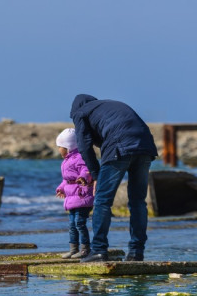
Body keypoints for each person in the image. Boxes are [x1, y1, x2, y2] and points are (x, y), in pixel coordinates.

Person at [70, 94, 158, 262]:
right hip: (145, 145)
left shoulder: (81, 113)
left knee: (102, 200)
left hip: (119, 147)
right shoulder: (108, 106)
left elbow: (84, 146)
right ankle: (136, 252)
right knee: (138, 201)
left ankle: (98, 250)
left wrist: (95, 176)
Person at [54, 128, 94, 259]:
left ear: (68, 146)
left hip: (82, 196)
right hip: (72, 198)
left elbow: (86, 170)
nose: (59, 149)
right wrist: (61, 188)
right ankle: (73, 248)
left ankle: (85, 249)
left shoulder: (80, 157)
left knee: (79, 223)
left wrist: (83, 177)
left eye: (60, 146)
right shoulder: (66, 161)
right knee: (72, 225)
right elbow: (67, 179)